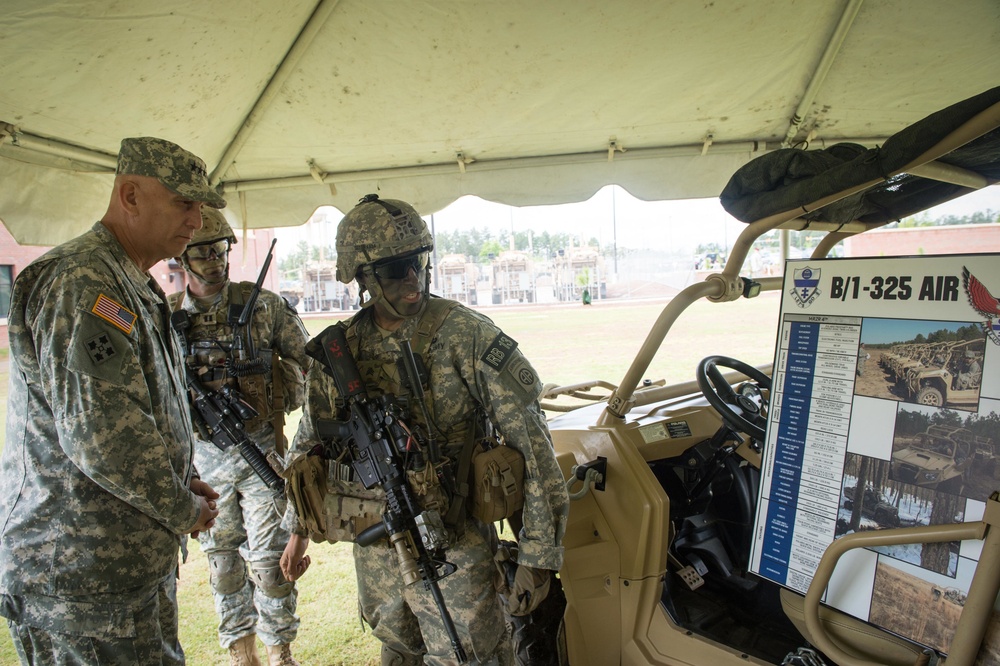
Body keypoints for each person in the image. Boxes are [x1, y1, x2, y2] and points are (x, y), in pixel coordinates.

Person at [280, 194, 569, 665]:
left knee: (471, 654)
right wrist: (297, 530)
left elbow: (532, 448)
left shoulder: (467, 335)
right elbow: (310, 441)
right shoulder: (339, 351)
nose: (413, 278)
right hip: (375, 541)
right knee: (395, 646)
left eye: (417, 262)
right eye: (395, 269)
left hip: (452, 541)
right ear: (362, 276)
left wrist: (538, 557)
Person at [0, 137, 223, 664]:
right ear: (130, 196)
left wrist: (177, 478)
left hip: (115, 567)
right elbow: (103, 439)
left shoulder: (127, 281)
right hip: (79, 575)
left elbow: (133, 410)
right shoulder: (83, 282)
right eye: (183, 203)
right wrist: (181, 507)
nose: (197, 219)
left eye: (200, 204)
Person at [169, 208, 311, 666]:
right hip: (204, 461)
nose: (215, 261)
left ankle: (279, 651)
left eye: (220, 250)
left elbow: (309, 364)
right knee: (223, 562)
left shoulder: (264, 306)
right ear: (183, 257)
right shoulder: (166, 317)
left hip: (261, 455)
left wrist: (278, 388)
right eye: (203, 252)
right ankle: (240, 652)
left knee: (270, 562)